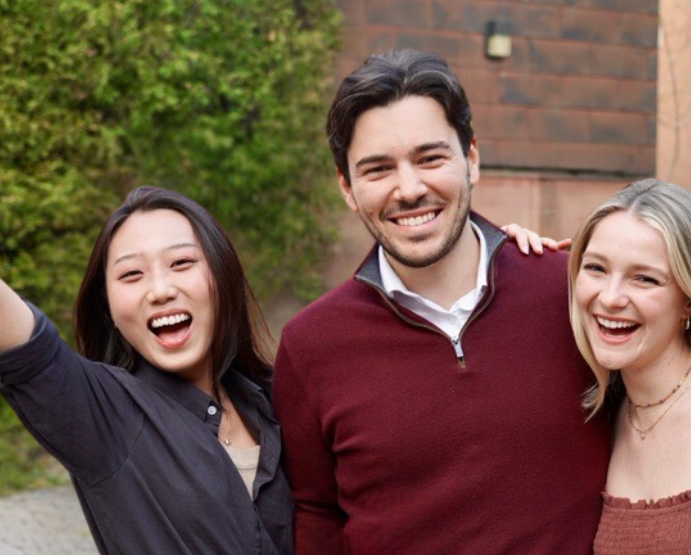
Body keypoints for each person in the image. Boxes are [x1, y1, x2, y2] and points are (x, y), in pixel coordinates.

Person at [272, 48, 610, 555]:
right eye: (378, 169)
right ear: (346, 187)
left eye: (430, 158)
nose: (409, 189)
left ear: (471, 159)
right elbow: (316, 513)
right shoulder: (310, 346)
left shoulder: (572, 293)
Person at [0, 187, 293, 554]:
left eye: (181, 263)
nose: (159, 290)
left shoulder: (275, 399)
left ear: (223, 275)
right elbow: (31, 353)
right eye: (131, 274)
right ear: (108, 308)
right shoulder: (104, 416)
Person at [568, 178, 691, 553]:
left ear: (687, 301)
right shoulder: (603, 412)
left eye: (644, 278)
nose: (610, 297)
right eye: (597, 268)